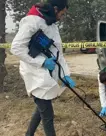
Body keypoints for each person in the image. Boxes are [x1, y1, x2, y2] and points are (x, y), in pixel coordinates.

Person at [11, 0, 75, 136]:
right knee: (48, 114)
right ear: (56, 9)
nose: (61, 18)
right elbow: (16, 48)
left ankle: (28, 134)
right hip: (34, 74)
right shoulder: (32, 21)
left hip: (45, 74)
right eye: (62, 14)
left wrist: (65, 74)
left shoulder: (51, 23)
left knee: (42, 108)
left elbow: (58, 52)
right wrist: (42, 62)